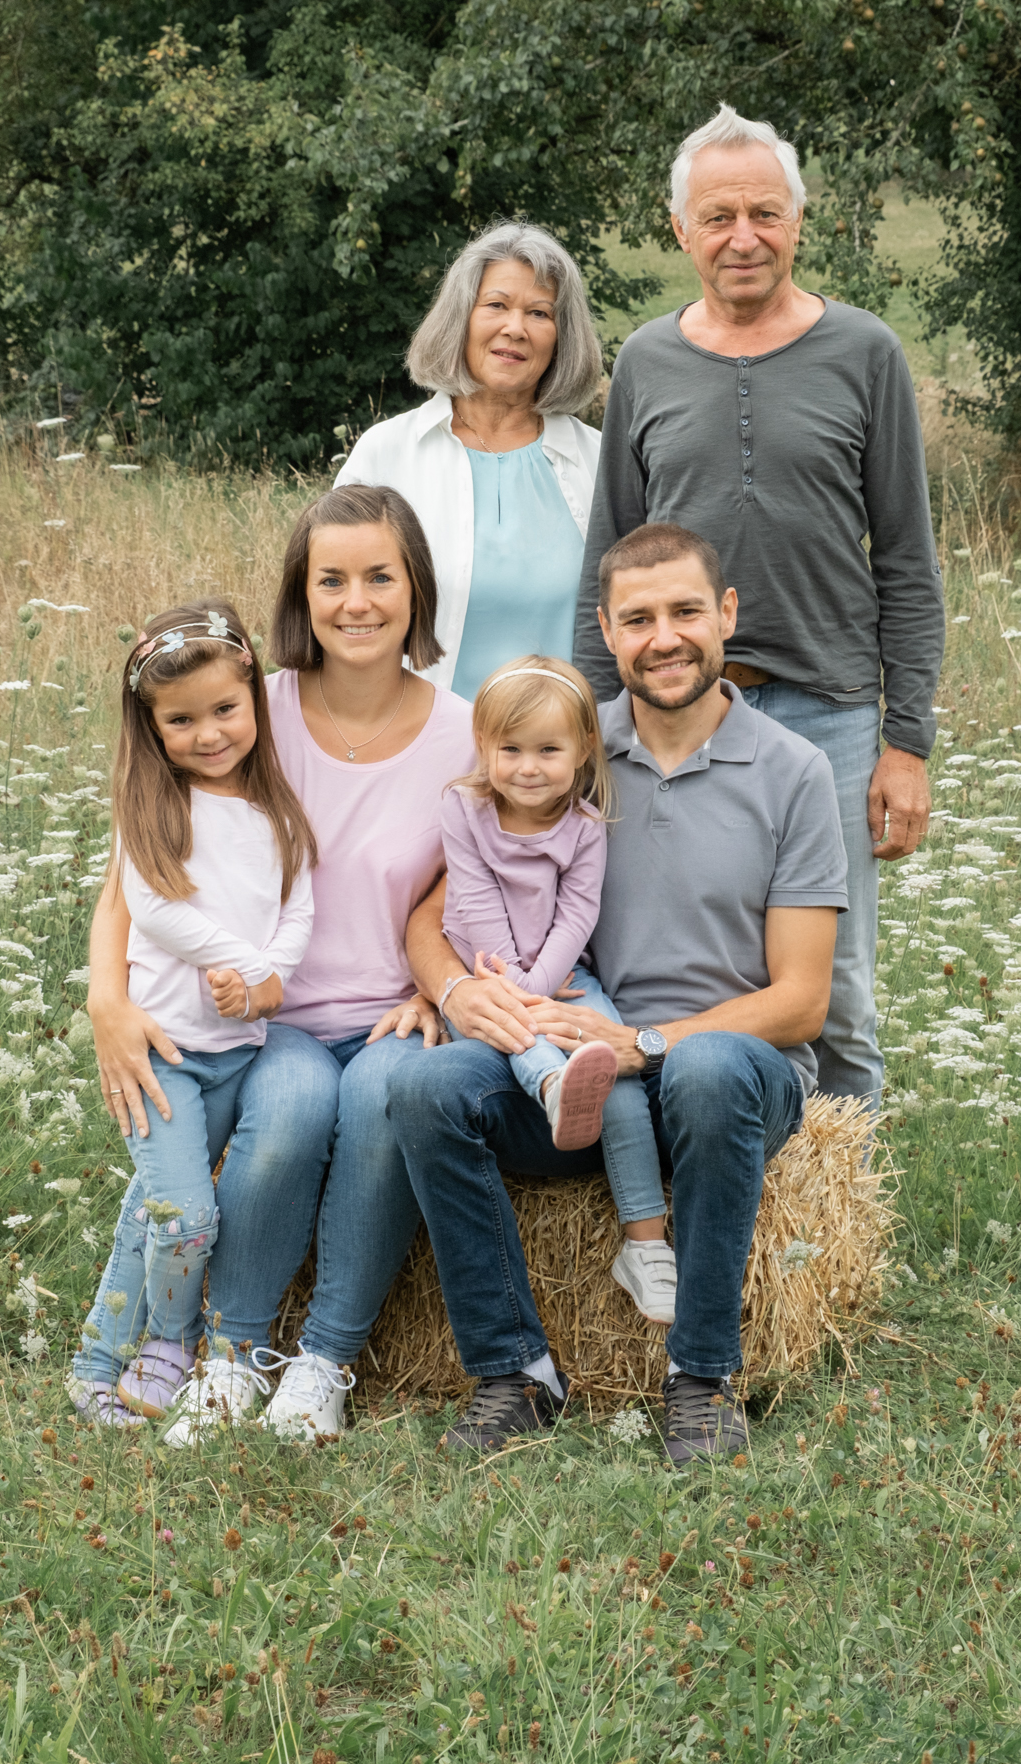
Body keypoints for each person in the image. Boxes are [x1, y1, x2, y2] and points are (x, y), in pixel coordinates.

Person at [389, 523, 849, 1462]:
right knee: (426, 1089)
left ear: (726, 615)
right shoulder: (556, 746)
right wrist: (449, 991)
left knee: (711, 1069)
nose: (664, 637)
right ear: (605, 628)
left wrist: (644, 1040)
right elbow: (429, 918)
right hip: (577, 1081)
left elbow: (803, 1000)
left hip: (728, 1084)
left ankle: (702, 1379)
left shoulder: (792, 772)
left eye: (685, 611)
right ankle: (514, 1371)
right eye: (637, 618)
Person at [79, 483, 475, 1444]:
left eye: (380, 576)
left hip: (390, 1010)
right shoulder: (253, 709)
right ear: (300, 594)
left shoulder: (467, 731)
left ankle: (325, 1362)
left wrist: (441, 979)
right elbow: (138, 867)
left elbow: (483, 877)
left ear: (415, 586)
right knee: (293, 1109)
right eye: (329, 579)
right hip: (272, 1020)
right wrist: (106, 997)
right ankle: (233, 1354)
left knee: (383, 1101)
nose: (356, 601)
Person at [573, 104, 945, 1111]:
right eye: (720, 215)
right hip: (668, 719)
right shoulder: (647, 359)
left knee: (840, 998)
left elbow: (907, 558)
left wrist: (905, 741)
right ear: (681, 229)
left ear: (799, 221)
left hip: (827, 716)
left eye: (766, 213)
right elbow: (609, 554)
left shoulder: (866, 353)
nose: (744, 236)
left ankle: (836, 1252)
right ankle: (693, 1209)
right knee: (656, 971)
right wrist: (588, 725)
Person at [72, 600, 317, 1425]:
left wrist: (270, 982)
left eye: (223, 710)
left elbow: (299, 911)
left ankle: (95, 1366)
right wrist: (239, 963)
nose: (208, 733)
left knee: (154, 1207)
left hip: (237, 1046)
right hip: (163, 1052)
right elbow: (154, 908)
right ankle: (170, 1343)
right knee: (185, 1217)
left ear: (253, 697)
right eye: (180, 720)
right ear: (152, 727)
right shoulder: (156, 807)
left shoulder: (278, 811)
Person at [440, 655, 676, 1324]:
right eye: (509, 749)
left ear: (581, 751)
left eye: (548, 750)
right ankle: (550, 1088)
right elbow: (478, 904)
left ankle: (645, 1245)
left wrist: (543, 991)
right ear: (483, 746)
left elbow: (578, 913)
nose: (527, 766)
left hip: (564, 979)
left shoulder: (584, 826)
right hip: (485, 982)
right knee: (521, 1037)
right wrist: (521, 996)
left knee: (616, 1074)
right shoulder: (464, 808)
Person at [334, 224, 603, 698]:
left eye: (539, 313)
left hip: (559, 757)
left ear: (563, 337)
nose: (515, 328)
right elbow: (330, 599)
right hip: (419, 748)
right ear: (461, 317)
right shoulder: (387, 454)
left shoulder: (599, 460)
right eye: (496, 305)